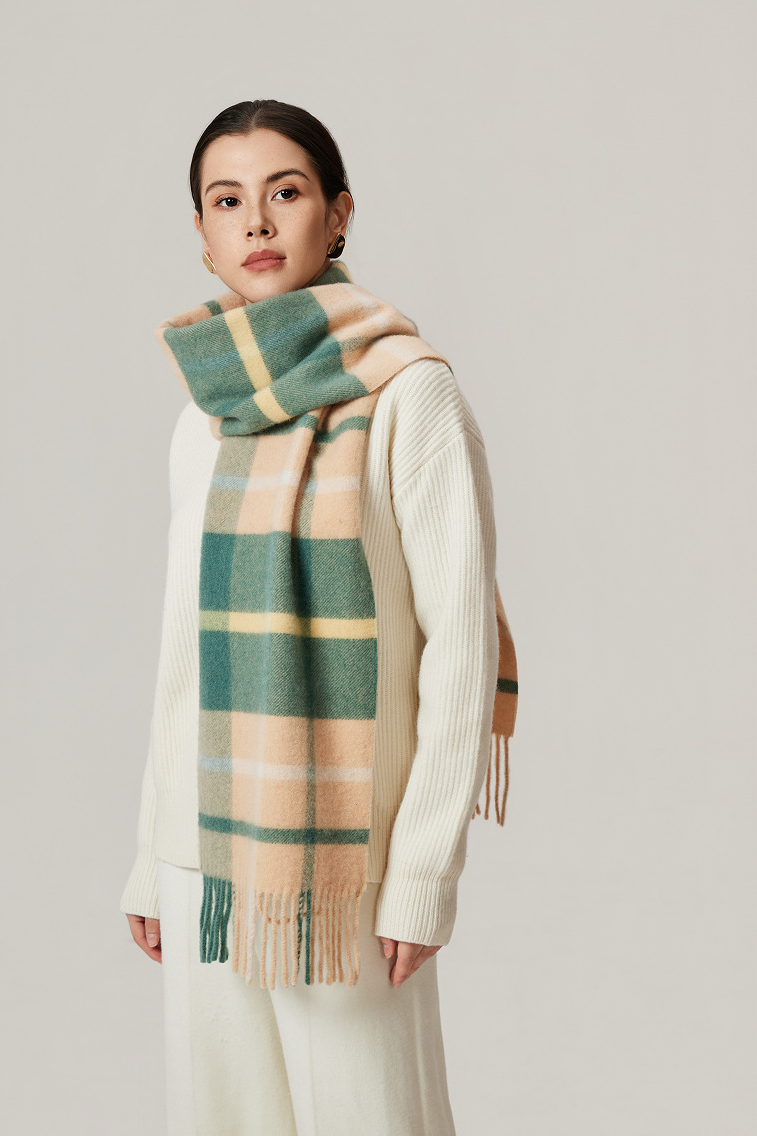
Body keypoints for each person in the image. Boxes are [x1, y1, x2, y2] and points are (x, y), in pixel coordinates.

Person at [120, 99, 513, 1136]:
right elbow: (181, 650)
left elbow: (459, 650)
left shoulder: (411, 394)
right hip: (204, 852)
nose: (256, 221)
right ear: (202, 236)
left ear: (337, 215)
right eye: (227, 201)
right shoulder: (204, 414)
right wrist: (150, 853)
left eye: (284, 192)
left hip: (347, 863)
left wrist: (421, 874)